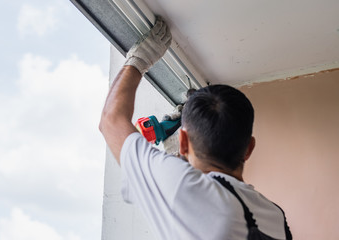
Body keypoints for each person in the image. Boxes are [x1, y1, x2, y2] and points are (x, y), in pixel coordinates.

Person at [99, 17, 291, 240]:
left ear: (182, 142)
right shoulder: (275, 216)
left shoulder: (182, 187)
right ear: (249, 148)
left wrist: (141, 57)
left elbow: (111, 121)